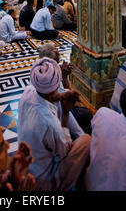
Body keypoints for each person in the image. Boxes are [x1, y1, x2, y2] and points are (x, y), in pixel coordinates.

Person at [18, 57, 91, 191]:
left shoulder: (28, 93)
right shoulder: (48, 122)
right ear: (57, 85)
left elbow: (49, 96)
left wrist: (61, 96)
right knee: (86, 141)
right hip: (45, 181)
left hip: (28, 169)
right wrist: (66, 113)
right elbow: (65, 151)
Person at [38, 43, 93, 134]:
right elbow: (66, 101)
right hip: (54, 118)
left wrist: (63, 76)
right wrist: (63, 77)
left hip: (51, 114)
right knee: (87, 114)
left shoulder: (37, 72)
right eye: (56, 63)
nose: (58, 66)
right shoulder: (51, 78)